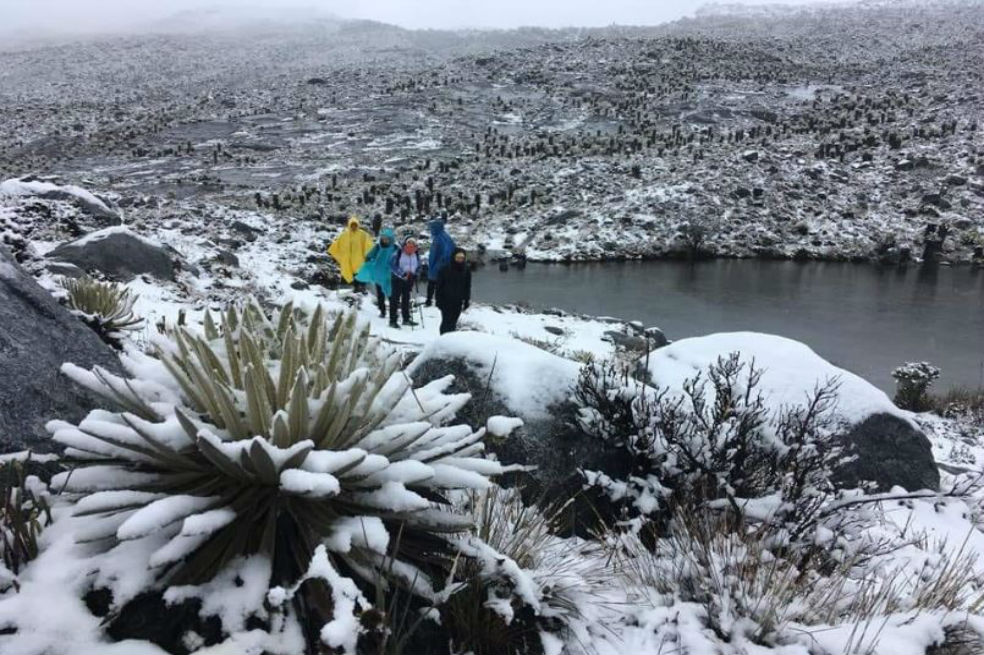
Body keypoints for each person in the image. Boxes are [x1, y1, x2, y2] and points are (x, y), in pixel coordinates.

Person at [355, 228, 398, 318]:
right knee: (380, 294)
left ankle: (393, 312)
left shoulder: (395, 248)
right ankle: (382, 311)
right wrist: (370, 261)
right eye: (383, 238)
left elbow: (400, 259)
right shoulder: (378, 247)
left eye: (386, 238)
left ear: (391, 239)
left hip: (390, 274)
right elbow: (369, 256)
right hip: (379, 273)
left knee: (391, 294)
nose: (384, 240)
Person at [328, 216, 373, 290]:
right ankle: (346, 291)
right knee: (347, 273)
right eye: (352, 225)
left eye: (355, 225)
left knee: (359, 274)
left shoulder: (363, 235)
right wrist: (336, 255)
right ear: (349, 225)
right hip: (347, 260)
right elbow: (336, 246)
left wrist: (368, 256)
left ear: (358, 225)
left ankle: (360, 290)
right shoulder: (344, 235)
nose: (354, 227)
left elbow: (369, 246)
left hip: (358, 260)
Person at [435, 248, 471, 334]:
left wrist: (466, 300)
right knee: (446, 322)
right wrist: (438, 300)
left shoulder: (466, 270)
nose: (460, 259)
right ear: (453, 257)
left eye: (462, 258)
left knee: (453, 322)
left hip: (458, 301)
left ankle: (451, 341)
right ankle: (443, 340)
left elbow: (467, 286)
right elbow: (439, 286)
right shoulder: (444, 269)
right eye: (458, 257)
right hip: (445, 300)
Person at [388, 237, 421, 328]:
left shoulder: (416, 254)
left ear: (415, 245)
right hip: (398, 279)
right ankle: (392, 320)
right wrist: (402, 274)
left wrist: (416, 274)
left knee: (406, 299)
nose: (410, 245)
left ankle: (406, 319)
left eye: (412, 243)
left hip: (409, 279)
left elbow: (419, 266)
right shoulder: (398, 253)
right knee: (395, 299)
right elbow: (392, 265)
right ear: (405, 244)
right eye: (408, 243)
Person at [425, 218, 455, 307]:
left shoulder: (440, 238)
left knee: (434, 284)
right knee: (435, 284)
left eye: (431, 228)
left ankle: (434, 301)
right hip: (437, 265)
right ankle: (433, 300)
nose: (430, 230)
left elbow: (447, 253)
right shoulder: (442, 236)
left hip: (438, 266)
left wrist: (439, 264)